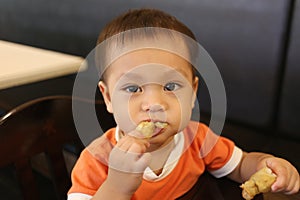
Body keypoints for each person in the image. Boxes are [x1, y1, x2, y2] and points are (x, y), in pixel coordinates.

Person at [68, 8, 299, 200]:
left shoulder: (198, 140)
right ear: (108, 98)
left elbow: (240, 166)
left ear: (192, 93)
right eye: (133, 89)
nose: (154, 104)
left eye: (170, 87)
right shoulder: (97, 160)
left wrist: (265, 165)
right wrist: (116, 187)